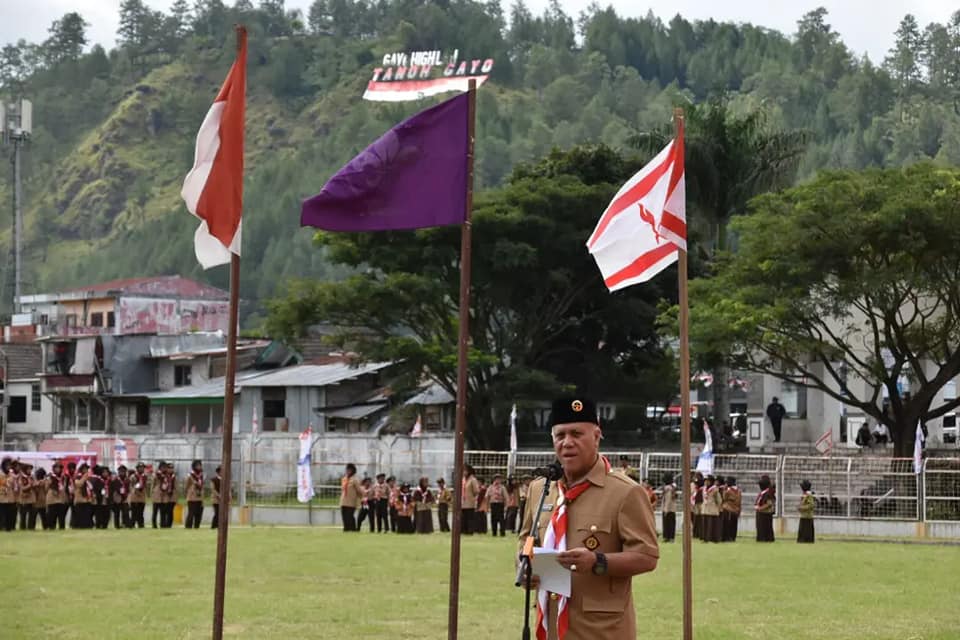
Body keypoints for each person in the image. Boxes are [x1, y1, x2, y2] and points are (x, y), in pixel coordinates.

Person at [518, 396, 659, 640]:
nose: (567, 443)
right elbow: (526, 541)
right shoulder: (540, 489)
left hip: (600, 630)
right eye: (560, 435)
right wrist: (525, 568)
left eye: (576, 434)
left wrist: (597, 561)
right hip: (550, 624)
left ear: (596, 436)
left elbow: (647, 557)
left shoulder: (625, 492)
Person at [339, 463, 362, 532]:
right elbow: (343, 489)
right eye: (347, 469)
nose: (348, 471)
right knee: (344, 516)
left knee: (350, 516)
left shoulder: (355, 480)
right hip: (343, 501)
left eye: (349, 470)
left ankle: (352, 529)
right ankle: (346, 528)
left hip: (351, 501)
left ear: (353, 471)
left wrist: (361, 499)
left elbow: (359, 491)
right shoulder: (344, 479)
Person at [45, 461, 67, 530]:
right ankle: (51, 527)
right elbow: (46, 487)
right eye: (56, 468)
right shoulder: (50, 476)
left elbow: (64, 486)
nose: (58, 469)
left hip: (60, 498)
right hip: (52, 498)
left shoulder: (63, 477)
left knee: (61, 515)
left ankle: (62, 527)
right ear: (53, 469)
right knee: (52, 515)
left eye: (59, 468)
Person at [755, 475, 776, 542]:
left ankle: (765, 539)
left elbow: (769, 503)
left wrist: (760, 508)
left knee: (765, 527)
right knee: (760, 527)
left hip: (765, 512)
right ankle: (761, 538)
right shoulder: (764, 492)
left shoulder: (769, 492)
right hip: (762, 512)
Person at [720, 476, 741, 542]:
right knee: (734, 525)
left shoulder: (728, 490)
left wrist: (724, 490)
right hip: (736, 509)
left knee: (727, 524)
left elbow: (724, 498)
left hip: (728, 508)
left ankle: (727, 537)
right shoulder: (739, 490)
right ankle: (733, 537)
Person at [184, 460, 205, 529]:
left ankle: (197, 526)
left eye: (200, 465)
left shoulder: (202, 475)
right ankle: (188, 526)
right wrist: (187, 493)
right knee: (191, 512)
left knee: (199, 513)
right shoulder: (190, 475)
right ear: (194, 466)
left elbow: (202, 485)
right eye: (197, 465)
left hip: (200, 497)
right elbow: (186, 486)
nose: (199, 467)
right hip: (192, 497)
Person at [702, 475, 722, 543]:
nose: (706, 482)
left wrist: (717, 507)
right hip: (705, 508)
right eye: (705, 480)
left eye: (708, 480)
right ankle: (705, 538)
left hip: (712, 509)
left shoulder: (715, 489)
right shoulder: (704, 489)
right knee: (705, 525)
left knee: (712, 525)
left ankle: (712, 538)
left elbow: (719, 500)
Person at [129, 463, 148, 528]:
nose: (141, 469)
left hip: (142, 496)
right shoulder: (133, 476)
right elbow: (131, 486)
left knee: (141, 512)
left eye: (142, 467)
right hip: (134, 496)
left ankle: (141, 525)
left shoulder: (145, 476)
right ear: (137, 468)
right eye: (140, 467)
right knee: (134, 512)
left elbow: (147, 485)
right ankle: (132, 524)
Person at [461, 464, 479, 535]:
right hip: (463, 502)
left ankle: (470, 531)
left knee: (470, 517)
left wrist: (472, 497)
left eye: (465, 470)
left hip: (470, 502)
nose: (464, 472)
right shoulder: (463, 479)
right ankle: (463, 530)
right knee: (463, 517)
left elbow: (476, 491)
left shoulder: (473, 480)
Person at [18, 463, 36, 530]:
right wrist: (30, 485)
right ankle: (22, 528)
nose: (29, 471)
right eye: (28, 469)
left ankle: (31, 527)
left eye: (30, 469)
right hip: (24, 499)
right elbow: (22, 488)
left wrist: (36, 484)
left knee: (32, 514)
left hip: (31, 499)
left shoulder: (32, 477)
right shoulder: (21, 477)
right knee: (23, 515)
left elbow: (35, 484)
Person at [0, 458, 16, 531]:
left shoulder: (12, 475)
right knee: (2, 514)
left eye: (10, 465)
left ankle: (8, 527)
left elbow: (15, 487)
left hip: (10, 497)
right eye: (7, 465)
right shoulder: (0, 475)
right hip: (1, 497)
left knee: (10, 513)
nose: (9, 467)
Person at [798, 479, 815, 543]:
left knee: (806, 530)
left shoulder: (809, 495)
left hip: (807, 516)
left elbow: (811, 505)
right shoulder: (804, 494)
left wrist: (802, 508)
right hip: (803, 516)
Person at [660, 474, 677, 542]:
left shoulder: (668, 488)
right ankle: (671, 537)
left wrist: (666, 509)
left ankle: (668, 537)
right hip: (672, 508)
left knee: (667, 523)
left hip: (668, 508)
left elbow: (668, 499)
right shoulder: (672, 487)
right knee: (671, 523)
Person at [151, 462, 166, 528]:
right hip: (157, 494)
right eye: (162, 467)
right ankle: (154, 525)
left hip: (163, 495)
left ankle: (162, 524)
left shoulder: (166, 475)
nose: (163, 468)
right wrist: (152, 492)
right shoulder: (156, 474)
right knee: (155, 511)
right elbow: (153, 484)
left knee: (163, 511)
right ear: (160, 467)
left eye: (164, 467)